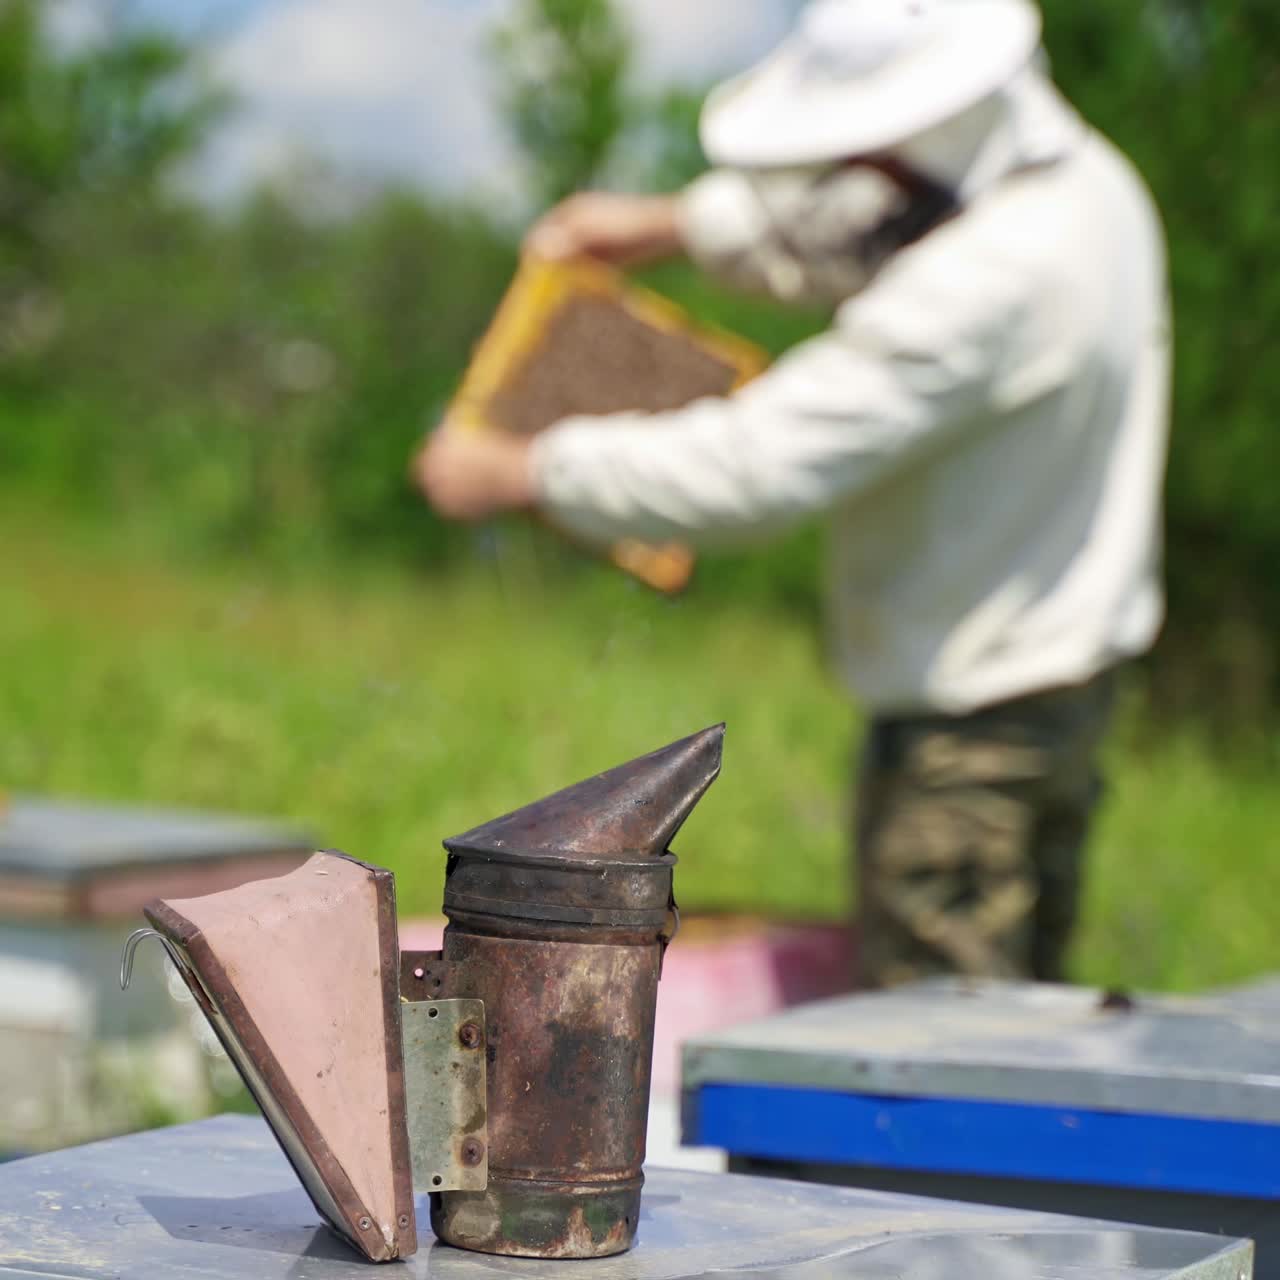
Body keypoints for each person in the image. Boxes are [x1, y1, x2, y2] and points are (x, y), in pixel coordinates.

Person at [415, 0, 1171, 988]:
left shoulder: (987, 279)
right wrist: (675, 224)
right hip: (1050, 694)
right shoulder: (1088, 186)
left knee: (939, 1061)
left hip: (966, 744)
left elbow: (756, 466)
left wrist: (523, 468)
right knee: (1017, 1042)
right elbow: (870, 220)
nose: (839, 171)